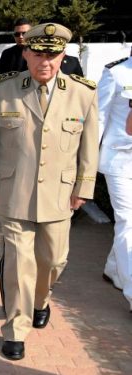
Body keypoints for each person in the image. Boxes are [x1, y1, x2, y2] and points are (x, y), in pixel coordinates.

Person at [0, 22, 98, 361]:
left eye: (52, 54)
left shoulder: (83, 92)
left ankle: (40, 300)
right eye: (37, 54)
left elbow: (89, 146)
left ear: (63, 56)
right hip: (13, 191)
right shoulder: (3, 89)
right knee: (19, 262)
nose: (44, 61)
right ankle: (16, 329)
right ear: (25, 54)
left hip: (60, 195)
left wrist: (84, 186)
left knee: (54, 259)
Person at [97, 55, 132, 309]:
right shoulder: (116, 74)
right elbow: (99, 117)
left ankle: (113, 268)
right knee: (128, 221)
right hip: (118, 160)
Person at [0, 18, 83, 79]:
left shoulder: (72, 62)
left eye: (24, 33)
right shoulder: (11, 54)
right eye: (17, 34)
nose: (21, 37)